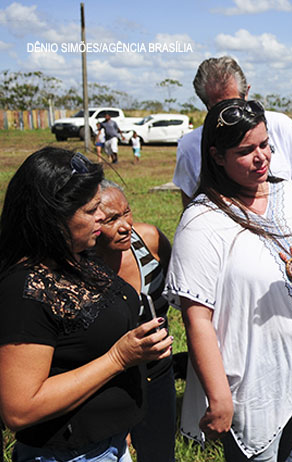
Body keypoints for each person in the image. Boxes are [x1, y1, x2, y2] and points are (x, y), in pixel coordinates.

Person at [173, 57, 292, 461]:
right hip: (252, 379)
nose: (262, 158)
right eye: (246, 151)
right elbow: (196, 316)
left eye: (265, 145)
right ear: (216, 156)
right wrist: (218, 397)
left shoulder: (285, 193)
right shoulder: (201, 222)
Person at [0, 148, 172, 461]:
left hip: (108, 445)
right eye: (91, 211)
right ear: (54, 216)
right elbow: (19, 408)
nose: (100, 219)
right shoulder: (26, 289)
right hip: (70, 454)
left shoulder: (77, 257)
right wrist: (119, 358)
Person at [173, 57, 292, 221]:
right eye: (221, 110)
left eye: (264, 144)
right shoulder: (189, 147)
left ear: (247, 92)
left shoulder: (281, 126)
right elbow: (190, 202)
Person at [94, 180, 175, 462]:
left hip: (160, 373)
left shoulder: (150, 240)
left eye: (126, 212)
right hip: (110, 380)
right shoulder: (82, 263)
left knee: (160, 454)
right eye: (111, 219)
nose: (125, 224)